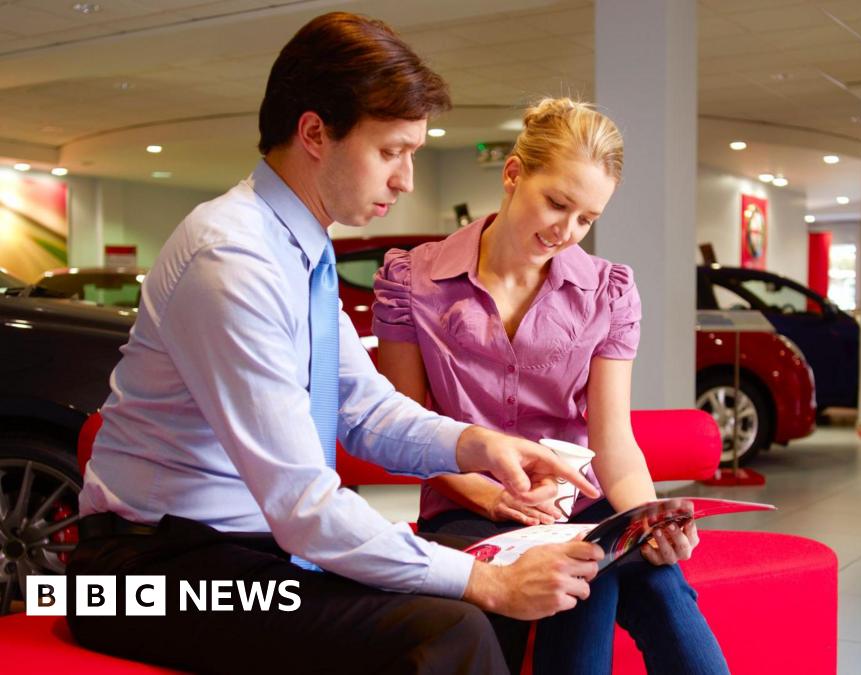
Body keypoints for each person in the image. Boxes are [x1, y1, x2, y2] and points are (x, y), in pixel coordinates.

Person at [67, 13, 604, 675]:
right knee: (451, 629)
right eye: (392, 151)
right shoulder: (231, 259)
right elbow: (304, 506)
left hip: (240, 553)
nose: (407, 178)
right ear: (314, 132)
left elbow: (364, 408)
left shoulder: (300, 248)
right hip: (139, 580)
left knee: (466, 610)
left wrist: (479, 444)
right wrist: (484, 578)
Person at [373, 97, 730, 675]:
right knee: (582, 583)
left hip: (584, 504)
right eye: (557, 204)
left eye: (586, 219)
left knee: (676, 619)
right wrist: (498, 497)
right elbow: (406, 429)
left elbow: (613, 441)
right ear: (513, 174)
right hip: (467, 506)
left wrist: (650, 518)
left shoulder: (609, 291)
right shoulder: (412, 281)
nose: (567, 232)